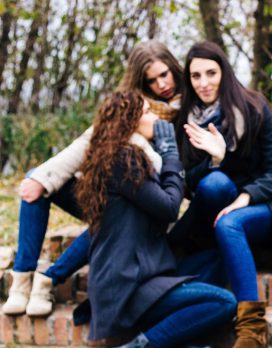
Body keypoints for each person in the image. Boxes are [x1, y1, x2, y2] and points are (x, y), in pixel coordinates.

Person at [2, 41, 185, 317]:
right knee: (36, 179)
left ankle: (49, 279)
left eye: (164, 74)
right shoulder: (132, 106)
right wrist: (43, 178)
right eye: (152, 80)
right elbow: (88, 141)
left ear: (174, 67)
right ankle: (23, 276)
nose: (161, 84)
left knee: (114, 214)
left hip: (149, 207)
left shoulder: (187, 109)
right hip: (117, 195)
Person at [172, 41, 272, 348]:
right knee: (215, 184)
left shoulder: (253, 107)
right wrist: (215, 159)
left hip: (269, 207)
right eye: (195, 76)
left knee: (230, 223)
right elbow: (189, 186)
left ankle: (252, 331)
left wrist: (245, 197)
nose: (204, 83)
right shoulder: (187, 121)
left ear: (224, 71)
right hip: (216, 210)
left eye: (211, 73)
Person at [74, 90, 236, 347]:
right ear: (129, 122)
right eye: (147, 113)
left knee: (218, 258)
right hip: (128, 286)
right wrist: (171, 152)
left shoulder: (133, 158)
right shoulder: (123, 159)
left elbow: (172, 191)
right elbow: (170, 206)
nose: (155, 118)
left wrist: (213, 160)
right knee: (224, 302)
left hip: (148, 273)